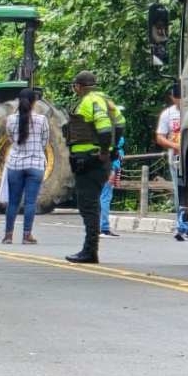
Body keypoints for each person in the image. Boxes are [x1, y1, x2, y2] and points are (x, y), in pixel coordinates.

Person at [64, 71, 117, 264]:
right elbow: (120, 124)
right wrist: (113, 149)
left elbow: (104, 129)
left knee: (88, 205)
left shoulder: (89, 101)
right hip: (98, 160)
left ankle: (90, 250)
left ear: (79, 86)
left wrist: (104, 150)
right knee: (91, 203)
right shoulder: (107, 100)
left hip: (89, 160)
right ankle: (89, 249)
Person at [2, 88, 48, 244]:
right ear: (34, 102)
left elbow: (10, 139)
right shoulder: (42, 120)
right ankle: (27, 235)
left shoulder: (10, 120)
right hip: (35, 164)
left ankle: (8, 235)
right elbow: (44, 142)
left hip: (15, 164)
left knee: (13, 202)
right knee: (30, 202)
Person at [156, 83, 187, 241]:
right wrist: (175, 145)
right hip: (176, 157)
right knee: (179, 191)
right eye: (178, 98)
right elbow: (160, 136)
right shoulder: (168, 114)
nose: (180, 101)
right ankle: (181, 226)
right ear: (173, 98)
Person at [95, 92, 127, 238]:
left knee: (103, 195)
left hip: (103, 164)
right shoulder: (112, 132)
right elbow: (114, 149)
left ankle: (101, 226)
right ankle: (104, 227)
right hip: (110, 164)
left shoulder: (99, 127)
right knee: (105, 196)